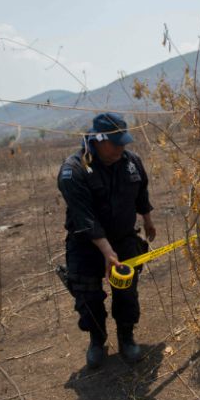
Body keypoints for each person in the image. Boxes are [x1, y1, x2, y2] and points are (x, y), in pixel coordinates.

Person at [57, 112, 156, 368]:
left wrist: (147, 219)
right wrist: (106, 252)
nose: (121, 148)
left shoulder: (131, 162)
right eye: (115, 143)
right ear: (98, 140)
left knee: (126, 292)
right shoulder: (74, 170)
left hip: (123, 240)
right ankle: (96, 340)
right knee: (87, 296)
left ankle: (126, 337)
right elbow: (85, 217)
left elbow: (141, 191)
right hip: (86, 245)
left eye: (124, 142)